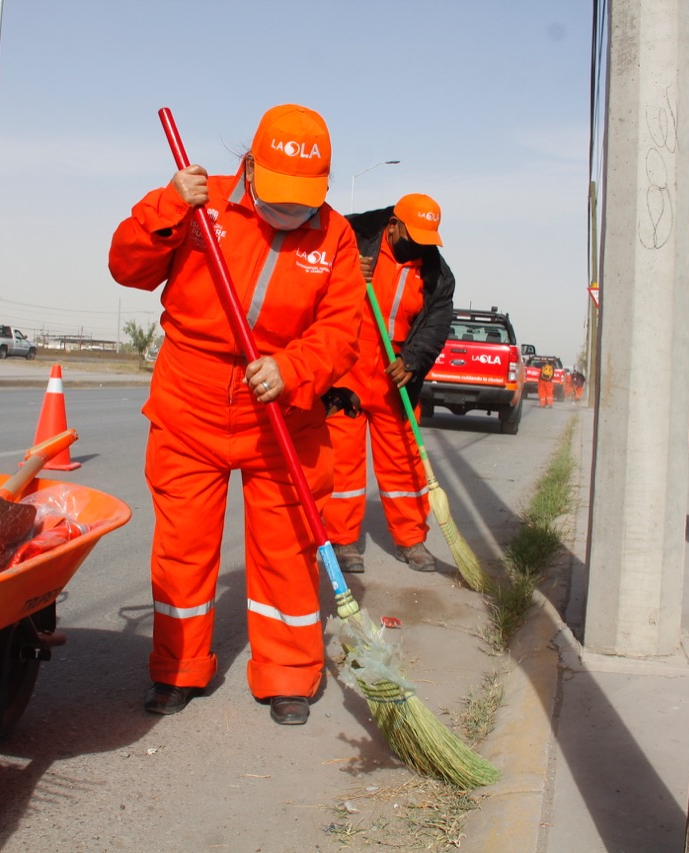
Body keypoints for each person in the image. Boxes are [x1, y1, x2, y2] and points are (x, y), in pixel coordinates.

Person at [108, 104, 362, 725]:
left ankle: (288, 676)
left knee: (286, 550)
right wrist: (166, 208)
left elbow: (341, 332)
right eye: (279, 196)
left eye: (304, 200)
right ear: (249, 166)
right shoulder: (200, 203)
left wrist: (293, 368)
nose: (290, 212)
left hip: (281, 410)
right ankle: (179, 668)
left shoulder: (335, 237)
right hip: (189, 399)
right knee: (183, 548)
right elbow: (126, 268)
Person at [324, 194, 455, 574]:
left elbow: (436, 325)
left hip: (395, 371)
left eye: (427, 239)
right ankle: (343, 540)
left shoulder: (437, 273)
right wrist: (347, 269)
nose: (419, 246)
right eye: (412, 236)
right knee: (343, 459)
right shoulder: (353, 234)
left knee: (403, 459)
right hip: (348, 364)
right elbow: (314, 270)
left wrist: (412, 361)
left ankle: (411, 539)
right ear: (393, 225)